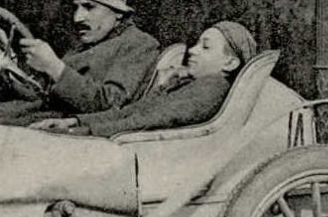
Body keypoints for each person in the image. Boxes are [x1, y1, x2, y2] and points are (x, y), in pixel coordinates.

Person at [0, 0, 160, 124]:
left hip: (61, 133)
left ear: (118, 11)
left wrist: (55, 67)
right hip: (30, 119)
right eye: (76, 7)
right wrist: (12, 69)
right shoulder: (85, 45)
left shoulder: (139, 45)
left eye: (89, 7)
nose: (78, 18)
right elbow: (40, 94)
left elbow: (110, 107)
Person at [33, 21, 257, 138]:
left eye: (205, 47)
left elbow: (149, 120)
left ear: (230, 63)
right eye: (197, 43)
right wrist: (75, 122)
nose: (193, 50)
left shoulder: (213, 87)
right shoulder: (193, 85)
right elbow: (133, 112)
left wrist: (84, 132)